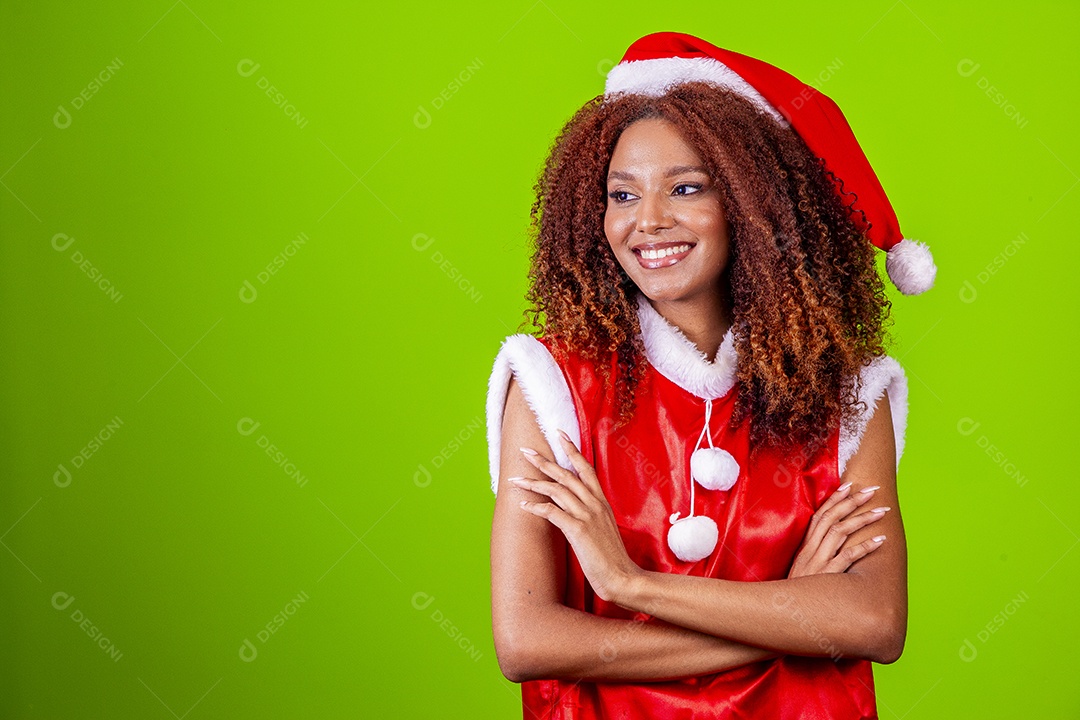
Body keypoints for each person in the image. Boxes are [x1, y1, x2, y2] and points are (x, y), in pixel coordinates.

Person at [486, 32, 935, 719]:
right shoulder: (550, 382)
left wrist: (627, 585)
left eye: (687, 188)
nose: (649, 222)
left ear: (753, 204)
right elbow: (527, 640)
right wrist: (791, 615)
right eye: (622, 194)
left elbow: (874, 622)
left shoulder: (850, 394)